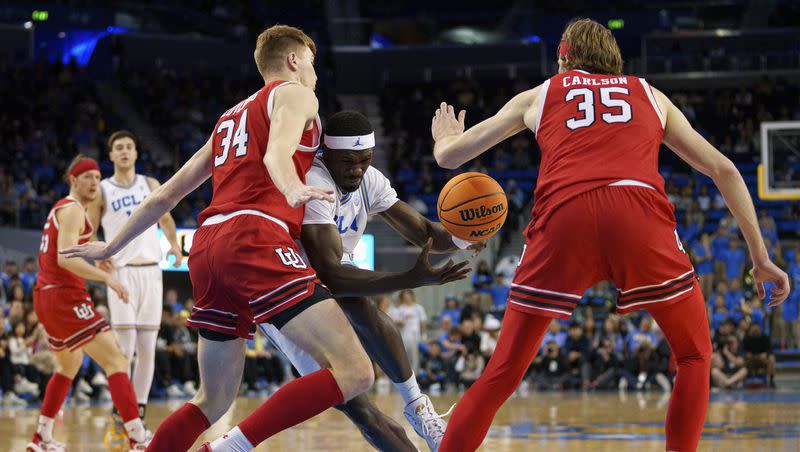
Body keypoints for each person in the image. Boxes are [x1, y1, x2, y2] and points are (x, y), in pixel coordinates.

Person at [62, 25, 452, 452]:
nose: (316, 74)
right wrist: (290, 187)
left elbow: (167, 194)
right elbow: (277, 153)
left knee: (211, 400)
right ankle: (227, 448)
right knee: (357, 371)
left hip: (209, 246)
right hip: (255, 235)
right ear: (294, 59)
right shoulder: (296, 94)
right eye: (313, 63)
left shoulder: (229, 119)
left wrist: (110, 245)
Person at [430, 18, 790, 452]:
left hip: (564, 216)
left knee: (502, 372)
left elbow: (452, 158)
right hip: (636, 212)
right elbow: (724, 169)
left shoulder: (542, 93)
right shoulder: (650, 94)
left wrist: (445, 139)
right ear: (614, 62)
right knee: (694, 356)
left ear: (564, 59)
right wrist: (761, 257)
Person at [259, 110, 479, 450]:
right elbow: (333, 275)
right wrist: (410, 278)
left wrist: (469, 233)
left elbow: (425, 234)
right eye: (347, 161)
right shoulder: (315, 182)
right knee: (360, 407)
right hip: (285, 291)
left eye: (364, 160)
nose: (356, 170)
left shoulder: (370, 180)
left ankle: (418, 406)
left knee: (359, 304)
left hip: (326, 287)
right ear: (325, 153)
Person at [28, 155, 150, 451]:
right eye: (88, 177)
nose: (95, 182)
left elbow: (77, 246)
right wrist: (105, 278)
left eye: (98, 177)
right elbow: (64, 257)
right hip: (64, 295)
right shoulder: (71, 210)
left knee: (69, 366)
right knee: (117, 360)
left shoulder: (67, 210)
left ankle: (41, 437)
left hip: (46, 296)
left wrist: (100, 255)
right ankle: (138, 438)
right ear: (73, 180)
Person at [86, 130, 183, 438]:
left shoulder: (149, 185)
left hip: (152, 272)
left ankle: (138, 413)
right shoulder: (102, 189)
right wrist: (96, 251)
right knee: (125, 349)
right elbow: (88, 228)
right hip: (121, 273)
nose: (125, 151)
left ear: (136, 153)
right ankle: (121, 412)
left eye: (129, 146)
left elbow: (166, 218)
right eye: (119, 148)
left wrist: (175, 247)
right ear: (111, 155)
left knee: (147, 348)